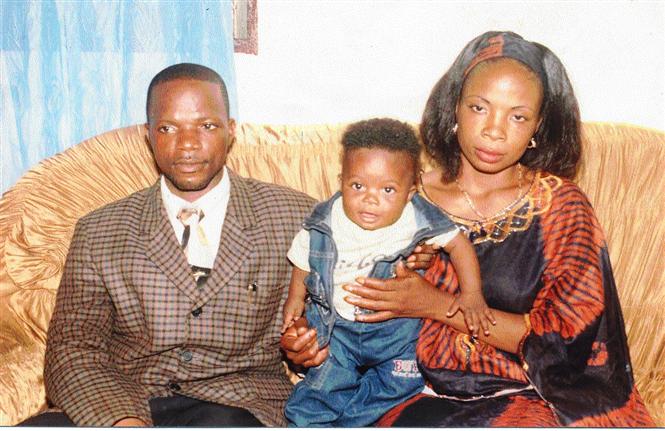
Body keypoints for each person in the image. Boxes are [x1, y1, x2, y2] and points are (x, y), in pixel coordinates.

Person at [282, 31, 655, 426]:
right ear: (455, 108)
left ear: (538, 127)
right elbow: (333, 296)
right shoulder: (397, 196)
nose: (495, 130)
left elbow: (565, 342)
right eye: (479, 108)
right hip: (409, 395)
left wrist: (435, 304)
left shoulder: (559, 209)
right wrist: (308, 345)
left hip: (528, 393)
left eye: (518, 116)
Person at [20, 63, 320, 427]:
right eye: (168, 128)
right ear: (149, 135)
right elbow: (73, 348)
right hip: (126, 398)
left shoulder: (297, 217)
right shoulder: (99, 230)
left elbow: (343, 322)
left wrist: (312, 345)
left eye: (206, 126)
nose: (188, 144)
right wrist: (121, 420)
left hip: (242, 406)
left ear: (231, 130)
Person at [281, 118, 492, 426]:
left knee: (401, 384)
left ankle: (351, 421)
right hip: (336, 327)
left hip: (395, 331)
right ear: (341, 180)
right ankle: (307, 423)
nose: (370, 198)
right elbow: (304, 260)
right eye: (357, 185)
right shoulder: (325, 219)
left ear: (410, 191)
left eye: (388, 189)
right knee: (324, 385)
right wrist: (295, 300)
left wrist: (472, 294)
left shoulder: (418, 216)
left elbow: (458, 245)